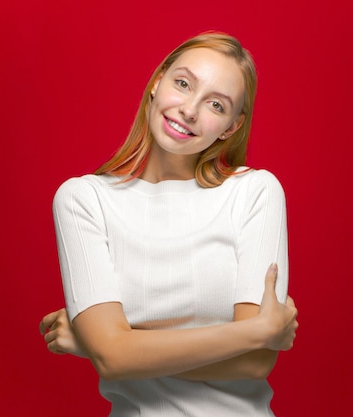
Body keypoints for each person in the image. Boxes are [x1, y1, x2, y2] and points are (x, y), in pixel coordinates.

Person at [39, 31, 298, 416]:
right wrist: (254, 332)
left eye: (215, 104)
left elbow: (255, 362)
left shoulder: (254, 192)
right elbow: (113, 359)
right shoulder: (85, 200)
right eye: (183, 84)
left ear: (230, 127)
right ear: (157, 83)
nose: (189, 110)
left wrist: (108, 345)